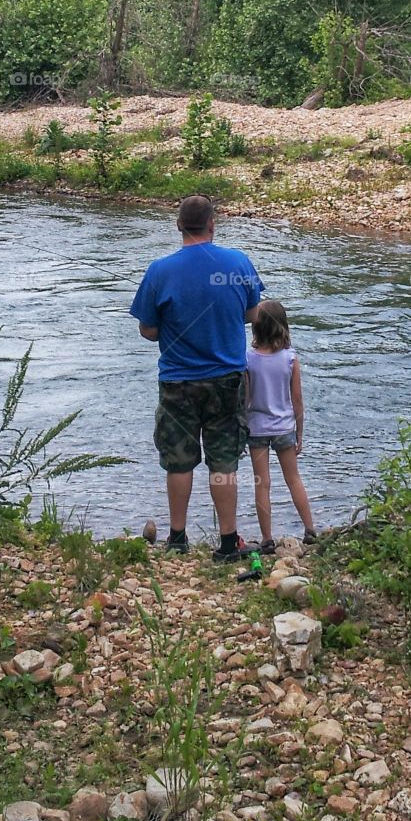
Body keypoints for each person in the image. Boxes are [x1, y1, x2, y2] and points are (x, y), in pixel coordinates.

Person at [130, 194, 264, 561]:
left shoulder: (159, 270)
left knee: (179, 460)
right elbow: (253, 313)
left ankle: (177, 538)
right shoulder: (238, 263)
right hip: (227, 380)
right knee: (223, 460)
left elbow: (148, 331)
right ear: (212, 224)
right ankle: (227, 542)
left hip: (177, 381)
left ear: (178, 226)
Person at [245, 300, 316, 554]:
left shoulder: (248, 359)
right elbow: (297, 400)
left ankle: (266, 538)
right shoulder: (290, 358)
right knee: (293, 479)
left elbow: (246, 399)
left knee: (262, 484)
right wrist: (299, 433)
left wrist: (241, 427)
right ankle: (309, 530)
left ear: (256, 328)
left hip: (257, 429)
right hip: (284, 427)